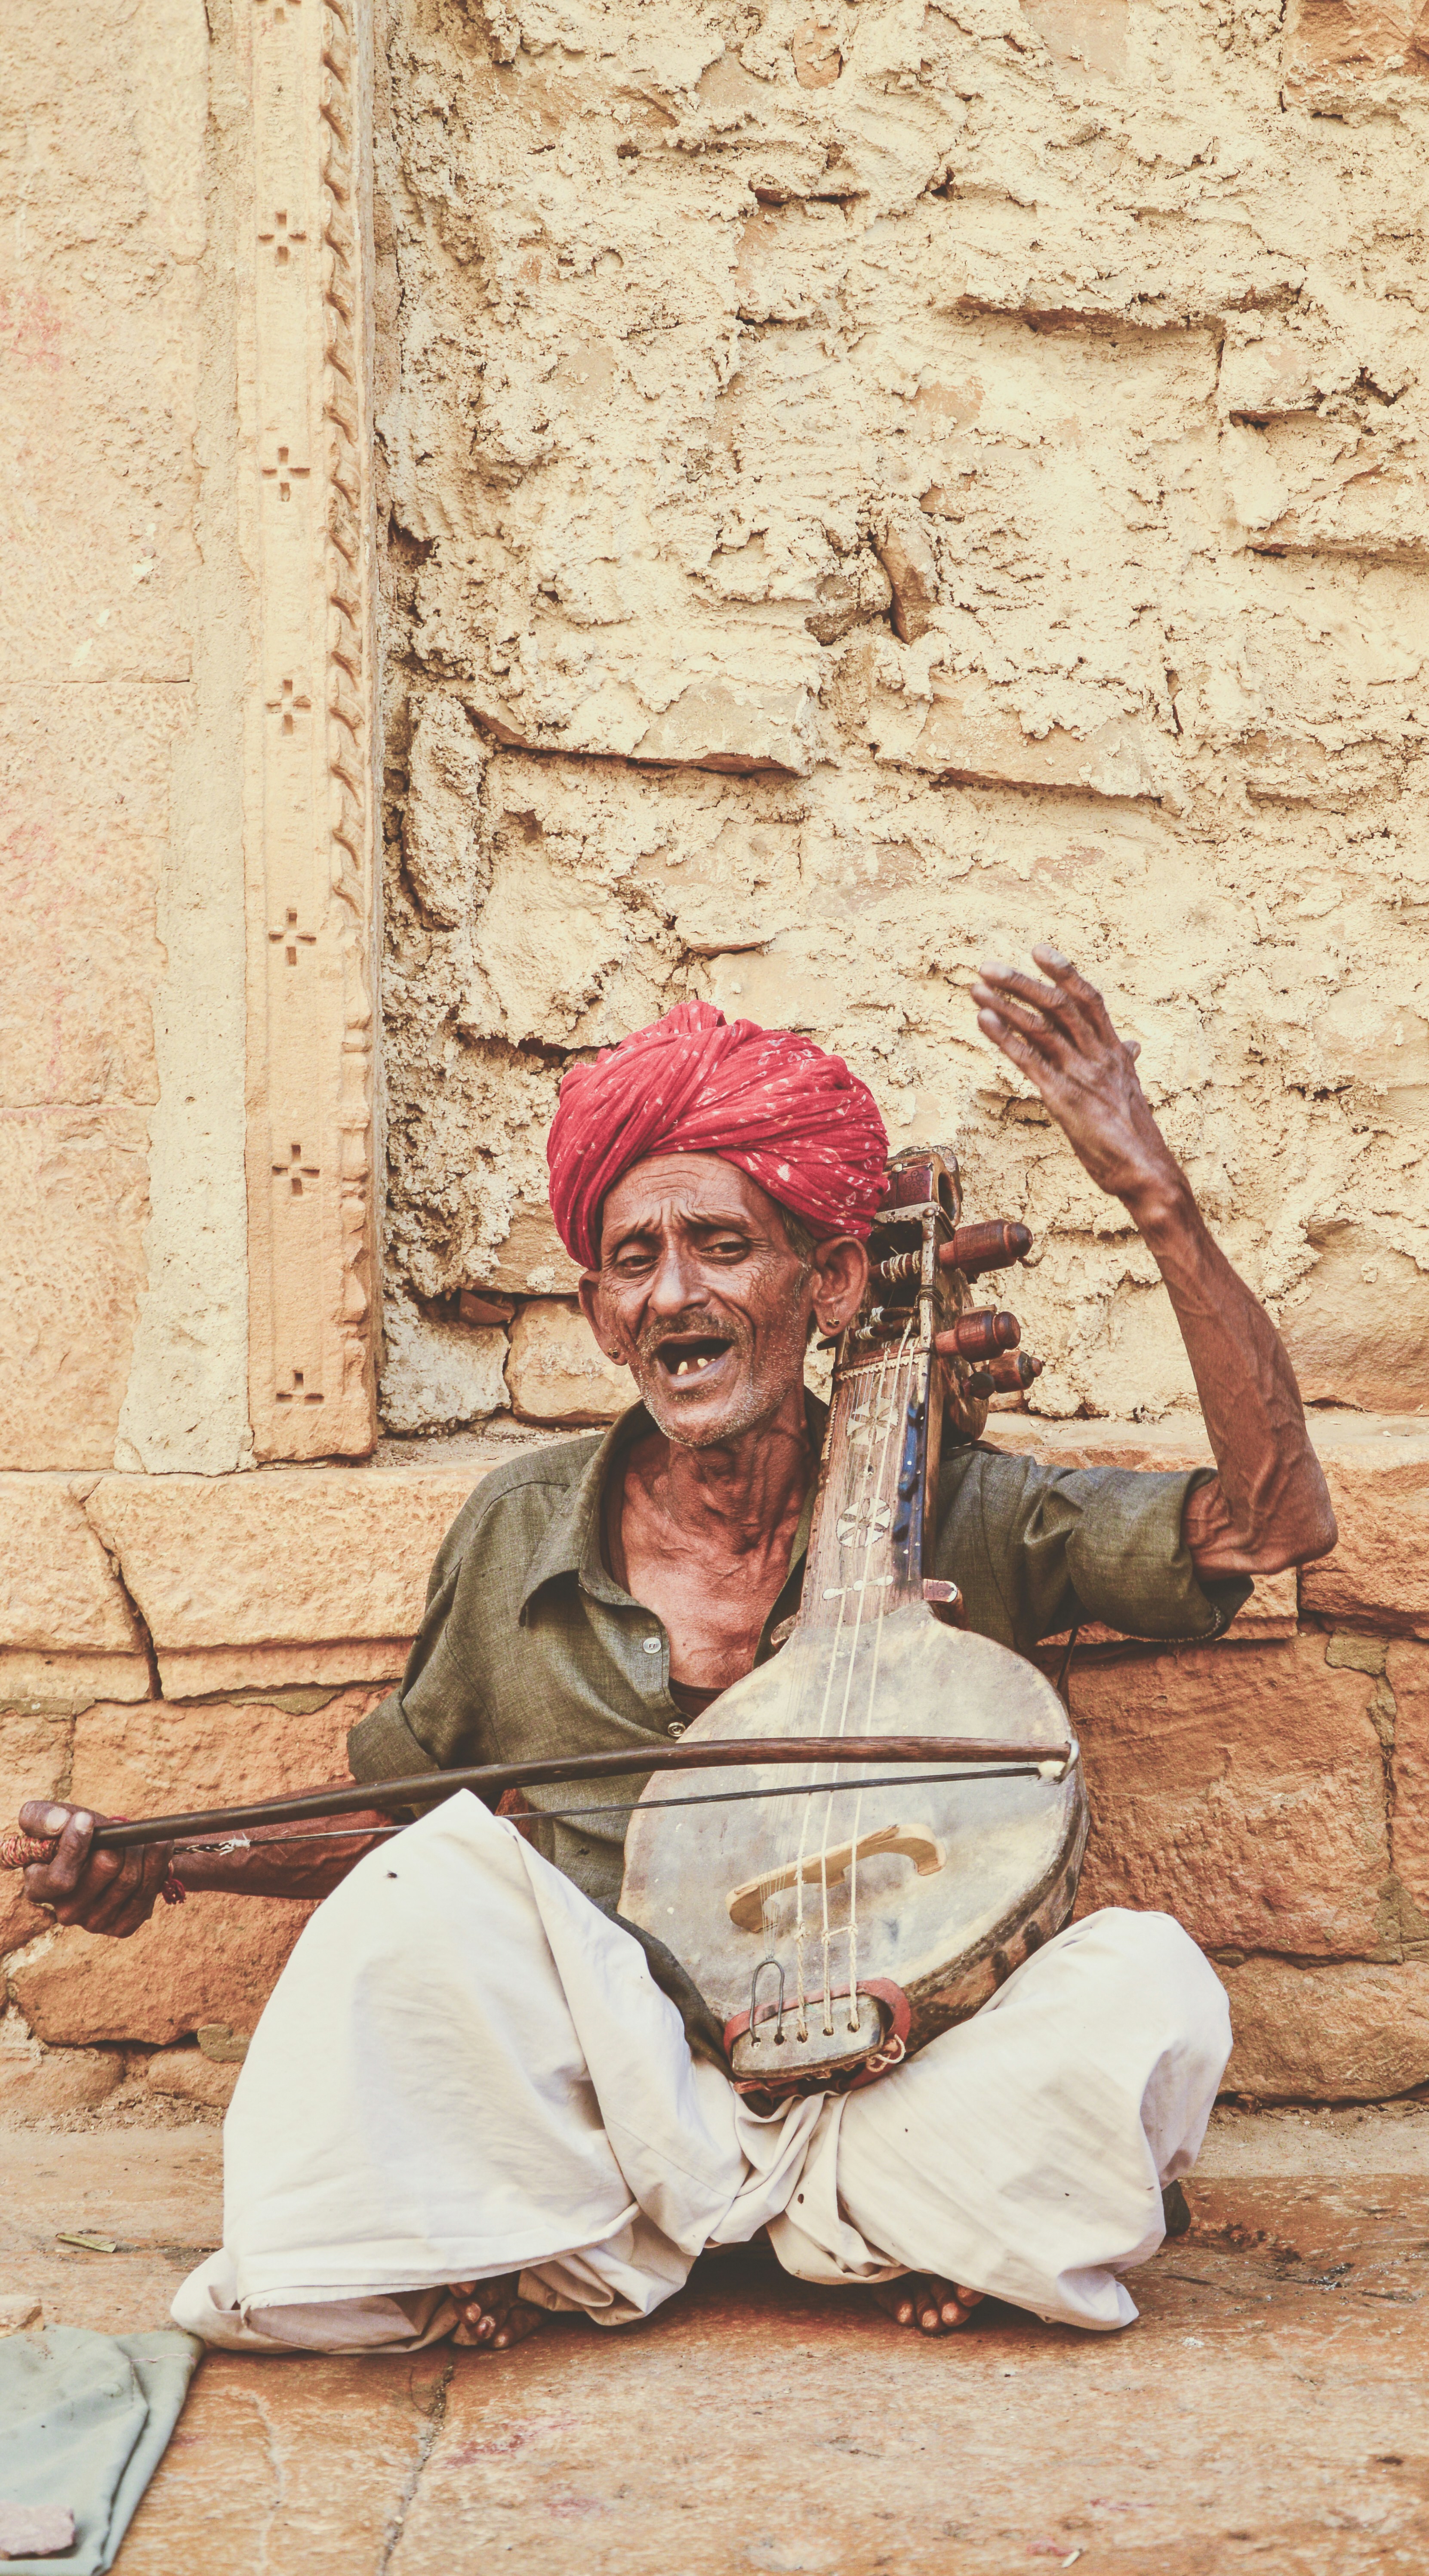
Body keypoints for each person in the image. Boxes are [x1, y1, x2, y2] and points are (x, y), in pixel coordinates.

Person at [18, 950, 1334, 2354]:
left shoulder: (969, 1502)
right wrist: (171, 1863)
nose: (673, 1292)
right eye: (635, 1261)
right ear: (601, 1315)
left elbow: (1275, 1523)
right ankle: (882, 2238)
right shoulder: (522, 1527)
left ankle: (612, 2241)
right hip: (631, 2090)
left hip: (903, 2081)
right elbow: (407, 1824)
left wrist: (1152, 1192)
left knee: (1146, 1984)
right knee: (417, 1904)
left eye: (720, 1243)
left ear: (834, 1281)